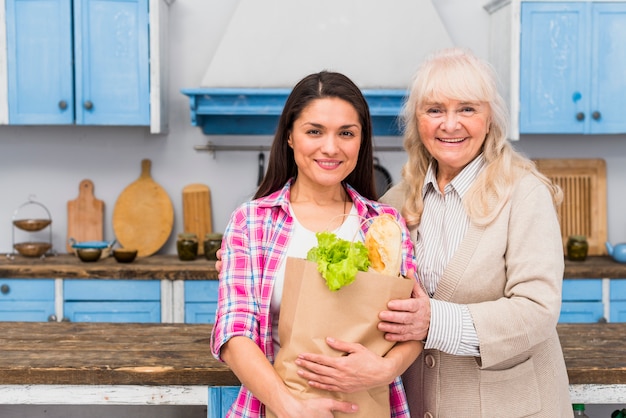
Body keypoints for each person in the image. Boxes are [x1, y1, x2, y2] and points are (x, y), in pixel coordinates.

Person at [369, 47, 572, 416]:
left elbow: (538, 309)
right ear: (417, 120)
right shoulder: (396, 204)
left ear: (489, 116)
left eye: (467, 108)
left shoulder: (524, 194)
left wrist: (433, 321)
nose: (450, 124)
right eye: (435, 110)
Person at [210, 70, 422, 418]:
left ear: (361, 141)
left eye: (346, 133)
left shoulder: (384, 225)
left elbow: (412, 325)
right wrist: (289, 406)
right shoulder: (252, 222)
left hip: (368, 405)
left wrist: (387, 369)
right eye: (314, 131)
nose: (331, 147)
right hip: (278, 408)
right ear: (290, 137)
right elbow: (234, 334)